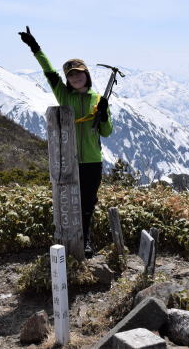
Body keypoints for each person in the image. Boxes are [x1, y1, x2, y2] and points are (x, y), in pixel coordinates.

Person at [19, 26, 113, 258]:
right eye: (71, 74)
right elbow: (49, 72)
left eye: (79, 73)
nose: (75, 77)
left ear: (86, 74)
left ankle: (86, 240)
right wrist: (36, 48)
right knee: (70, 203)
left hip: (92, 161)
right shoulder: (63, 95)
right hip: (69, 161)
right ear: (68, 79)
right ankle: (69, 239)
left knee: (87, 204)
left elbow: (107, 132)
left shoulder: (99, 99)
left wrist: (104, 113)